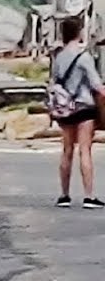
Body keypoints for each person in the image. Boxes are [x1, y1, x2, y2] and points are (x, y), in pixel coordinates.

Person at [51, 17, 105, 208]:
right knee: (84, 151)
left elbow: (54, 82)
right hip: (84, 108)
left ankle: (64, 196)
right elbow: (97, 85)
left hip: (65, 108)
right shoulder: (84, 57)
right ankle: (89, 196)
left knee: (66, 151)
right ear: (79, 33)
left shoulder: (59, 57)